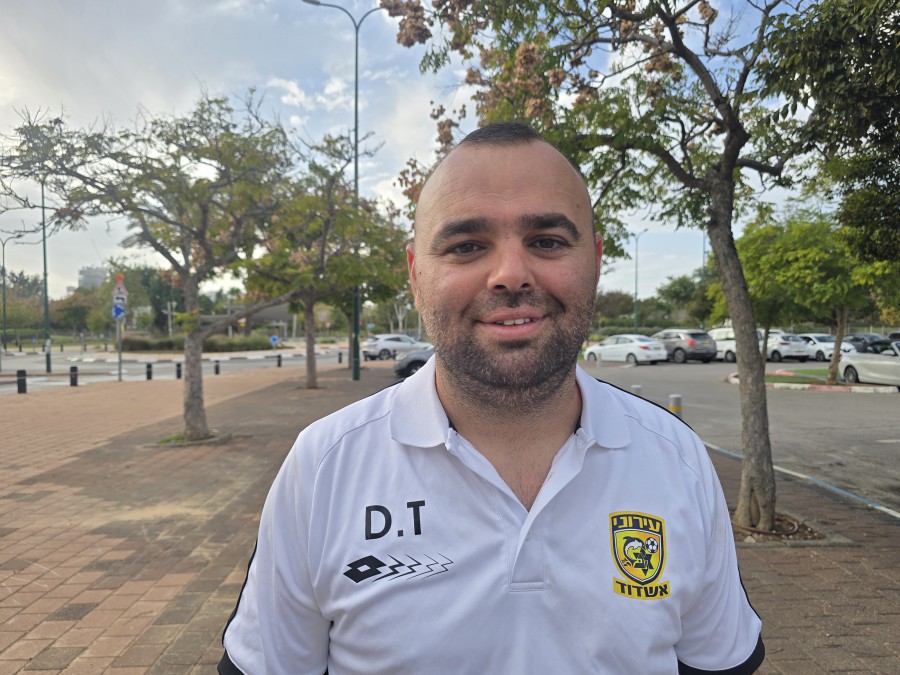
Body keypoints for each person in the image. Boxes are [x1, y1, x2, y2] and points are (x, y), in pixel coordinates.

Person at [219, 123, 764, 674]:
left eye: (547, 241)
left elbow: (715, 662)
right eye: (467, 247)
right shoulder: (324, 467)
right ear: (416, 275)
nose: (510, 275)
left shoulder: (677, 459)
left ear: (595, 261)